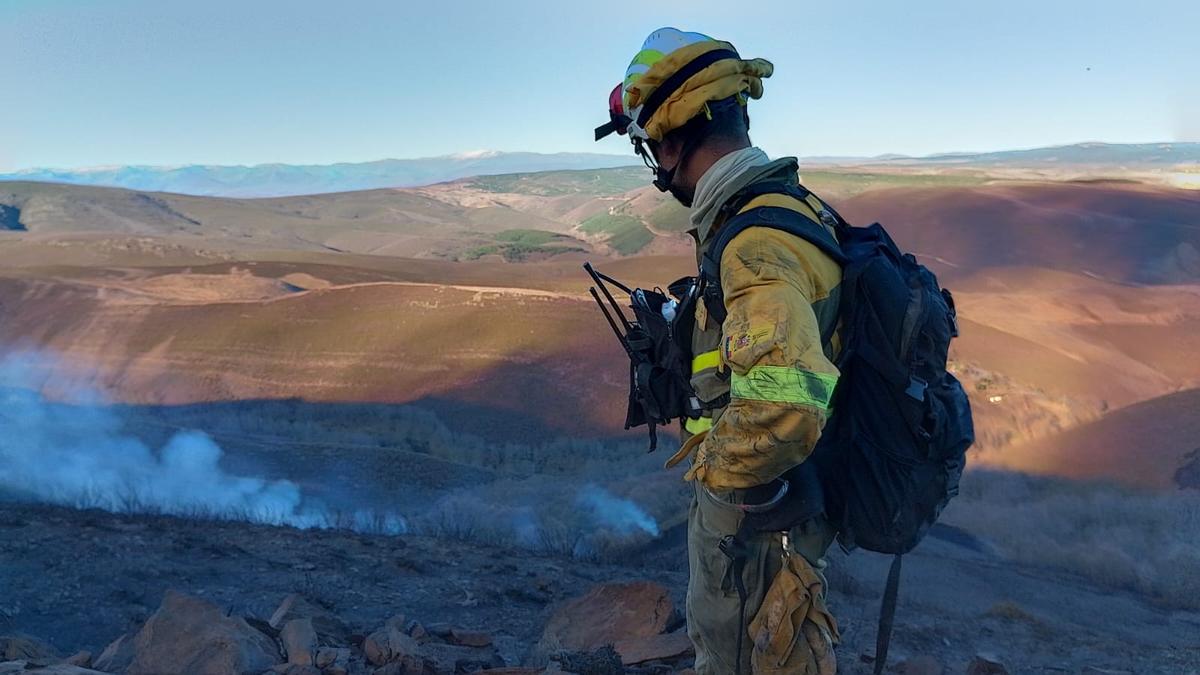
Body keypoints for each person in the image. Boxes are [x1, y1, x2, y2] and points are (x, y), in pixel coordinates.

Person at [595, 28, 843, 674]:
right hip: (769, 519)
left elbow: (786, 399)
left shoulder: (753, 241)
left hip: (755, 531)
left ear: (673, 141)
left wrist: (716, 476)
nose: (656, 165)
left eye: (651, 147)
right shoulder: (782, 210)